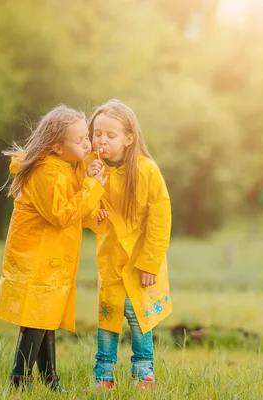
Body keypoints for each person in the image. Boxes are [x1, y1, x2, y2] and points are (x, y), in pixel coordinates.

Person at [0, 105, 108, 391]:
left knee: (46, 318)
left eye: (87, 137)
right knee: (37, 319)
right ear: (57, 146)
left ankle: (50, 381)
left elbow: (73, 210)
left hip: (50, 260)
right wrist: (91, 187)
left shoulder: (63, 169)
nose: (88, 143)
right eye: (80, 139)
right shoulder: (47, 173)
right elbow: (61, 214)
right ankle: (19, 378)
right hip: (37, 258)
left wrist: (91, 201)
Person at [81, 99, 172, 390]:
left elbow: (161, 220)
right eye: (97, 133)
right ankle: (103, 375)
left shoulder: (146, 170)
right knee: (108, 315)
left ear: (129, 138)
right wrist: (91, 184)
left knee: (138, 316)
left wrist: (150, 263)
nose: (101, 140)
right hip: (110, 259)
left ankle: (144, 373)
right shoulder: (89, 170)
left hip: (140, 260)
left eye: (111, 135)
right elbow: (86, 218)